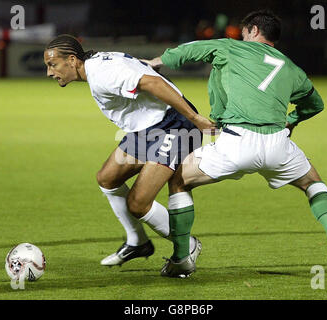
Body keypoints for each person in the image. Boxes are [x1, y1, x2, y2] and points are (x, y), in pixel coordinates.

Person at [144, 10, 327, 277]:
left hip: (236, 142)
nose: (241, 37)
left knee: (178, 179)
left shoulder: (231, 48)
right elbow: (315, 104)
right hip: (277, 145)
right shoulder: (292, 68)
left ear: (254, 31)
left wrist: (158, 61)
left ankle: (181, 258)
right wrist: (291, 121)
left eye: (244, 32)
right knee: (312, 183)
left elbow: (192, 49)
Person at [43, 35, 217, 272]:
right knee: (107, 178)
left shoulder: (102, 74)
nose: (49, 72)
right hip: (146, 128)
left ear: (72, 60)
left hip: (172, 126)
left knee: (138, 203)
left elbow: (153, 84)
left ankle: (187, 245)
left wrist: (195, 119)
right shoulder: (96, 63)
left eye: (52, 65)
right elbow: (135, 68)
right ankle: (138, 242)